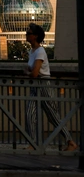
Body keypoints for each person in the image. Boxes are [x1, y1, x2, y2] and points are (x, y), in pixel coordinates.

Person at [23, 23, 77, 151]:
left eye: (28, 33)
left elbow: (35, 72)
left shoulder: (40, 51)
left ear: (35, 36)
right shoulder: (32, 51)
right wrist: (29, 71)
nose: (26, 34)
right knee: (30, 114)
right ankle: (33, 143)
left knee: (53, 116)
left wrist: (27, 73)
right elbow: (32, 69)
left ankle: (70, 142)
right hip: (35, 87)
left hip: (43, 86)